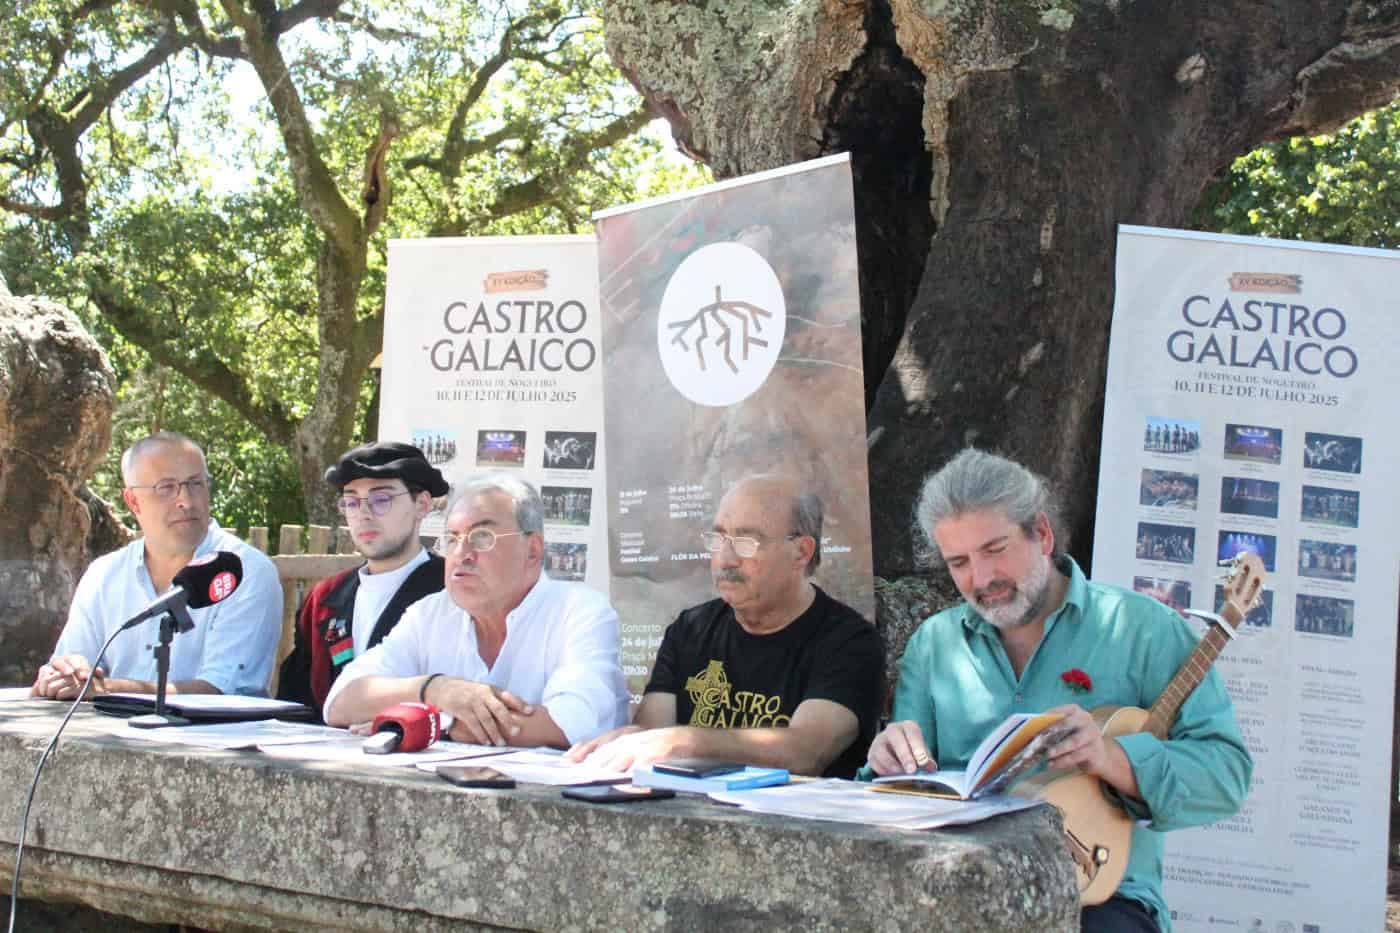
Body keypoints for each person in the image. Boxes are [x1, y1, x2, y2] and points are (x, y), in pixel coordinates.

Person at [864, 449, 1250, 933]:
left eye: (995, 549)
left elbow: (1226, 774)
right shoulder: (935, 644)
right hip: (961, 888)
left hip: (1101, 897)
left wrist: (1113, 758)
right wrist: (885, 764)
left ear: (1042, 534)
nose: (981, 579)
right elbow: (909, 792)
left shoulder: (1143, 630)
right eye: (959, 562)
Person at [567, 475, 883, 778]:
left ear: (801, 552)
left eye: (747, 542)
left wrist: (685, 742)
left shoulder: (849, 641)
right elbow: (654, 734)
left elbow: (805, 752)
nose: (726, 558)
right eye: (718, 538)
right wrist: (624, 743)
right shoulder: (690, 629)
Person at [323, 474, 628, 747]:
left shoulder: (580, 612)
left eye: (481, 538)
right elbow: (340, 701)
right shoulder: (429, 614)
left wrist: (427, 724)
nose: (460, 554)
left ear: (533, 551)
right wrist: (436, 690)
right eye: (452, 539)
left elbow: (568, 725)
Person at [30, 432, 281, 699]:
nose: (186, 500)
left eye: (196, 484)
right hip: (102, 734)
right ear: (133, 501)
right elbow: (75, 667)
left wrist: (103, 688)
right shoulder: (104, 575)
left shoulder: (242, 571)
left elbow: (219, 692)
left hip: (208, 738)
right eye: (166, 487)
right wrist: (63, 676)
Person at [277, 442, 450, 720]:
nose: (363, 514)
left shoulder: (452, 591)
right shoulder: (323, 600)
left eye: (381, 499)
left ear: (422, 504)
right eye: (351, 501)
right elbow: (295, 702)